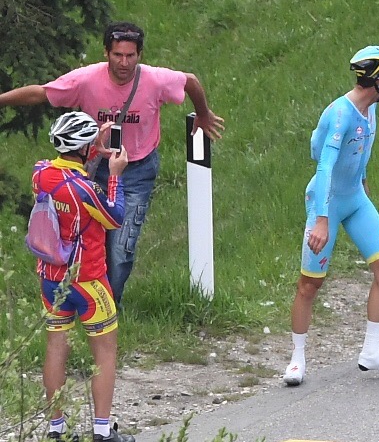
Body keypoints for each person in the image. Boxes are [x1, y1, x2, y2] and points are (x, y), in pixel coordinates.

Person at [0, 22, 224, 304]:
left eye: (130, 56)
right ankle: (81, 304)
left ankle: (108, 307)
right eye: (118, 55)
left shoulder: (154, 80)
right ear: (106, 52)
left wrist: (203, 114)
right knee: (89, 245)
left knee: (120, 250)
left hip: (137, 172)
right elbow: (43, 93)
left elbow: (189, 80)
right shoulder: (86, 80)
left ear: (140, 55)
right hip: (95, 171)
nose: (124, 62)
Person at [282, 46, 379, 386]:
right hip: (326, 200)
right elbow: (323, 164)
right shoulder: (340, 114)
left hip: (355, 197)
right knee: (310, 284)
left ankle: (372, 351)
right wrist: (322, 218)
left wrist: (364, 185)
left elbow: (361, 153)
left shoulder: (369, 111)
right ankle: (297, 358)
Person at [35, 111, 135, 442]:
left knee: (55, 347)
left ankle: (56, 430)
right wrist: (116, 175)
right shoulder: (86, 190)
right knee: (104, 353)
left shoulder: (40, 174)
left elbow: (67, 177)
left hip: (51, 280)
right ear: (83, 146)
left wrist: (92, 149)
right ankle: (103, 432)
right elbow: (114, 217)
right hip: (89, 281)